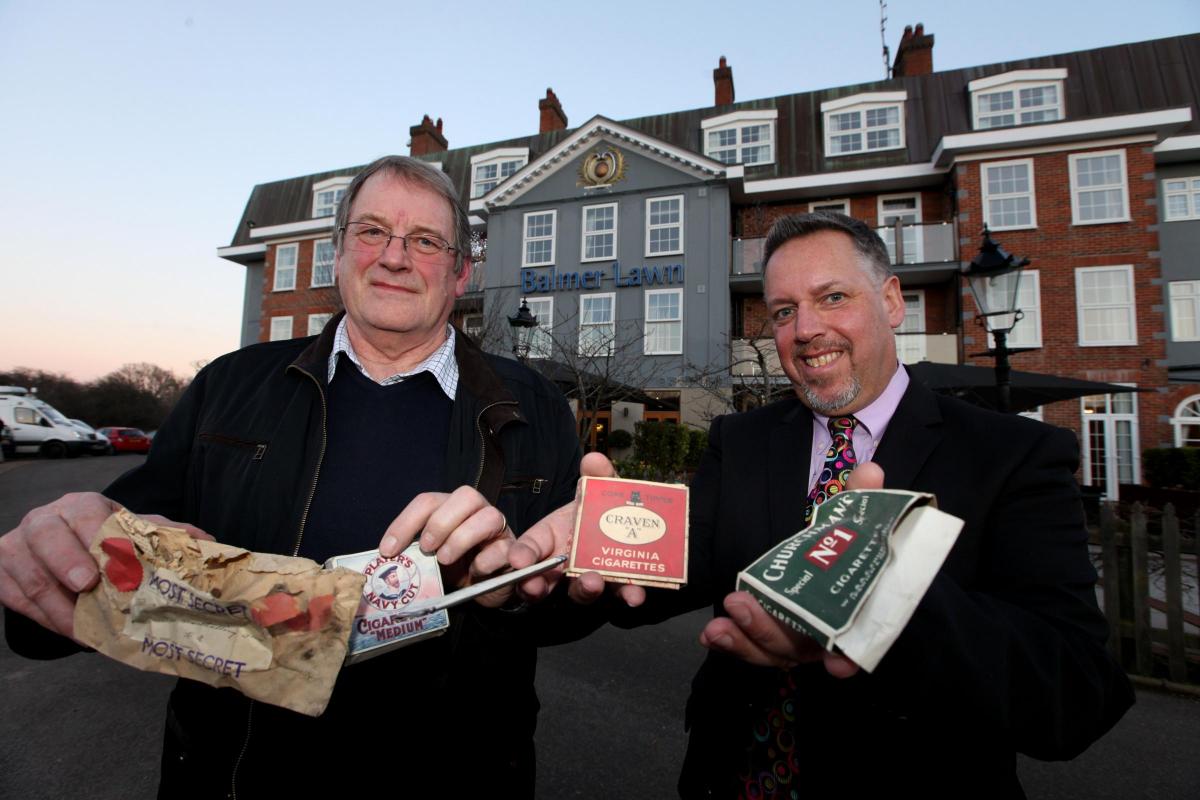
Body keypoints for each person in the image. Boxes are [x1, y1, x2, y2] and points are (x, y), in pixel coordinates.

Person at [0, 155, 586, 798]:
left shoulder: (535, 406)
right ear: (337, 254)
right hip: (240, 768)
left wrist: (528, 589)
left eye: (424, 241)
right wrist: (55, 553)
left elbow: (565, 611)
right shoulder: (229, 387)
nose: (394, 257)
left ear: (458, 272)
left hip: (458, 771)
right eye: (371, 232)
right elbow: (92, 574)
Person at [519, 212, 1134, 798]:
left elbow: (1077, 695)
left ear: (892, 301)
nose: (805, 328)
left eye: (832, 297)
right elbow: (674, 564)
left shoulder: (1012, 453)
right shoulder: (743, 440)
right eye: (784, 310)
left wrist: (876, 599)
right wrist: (580, 553)